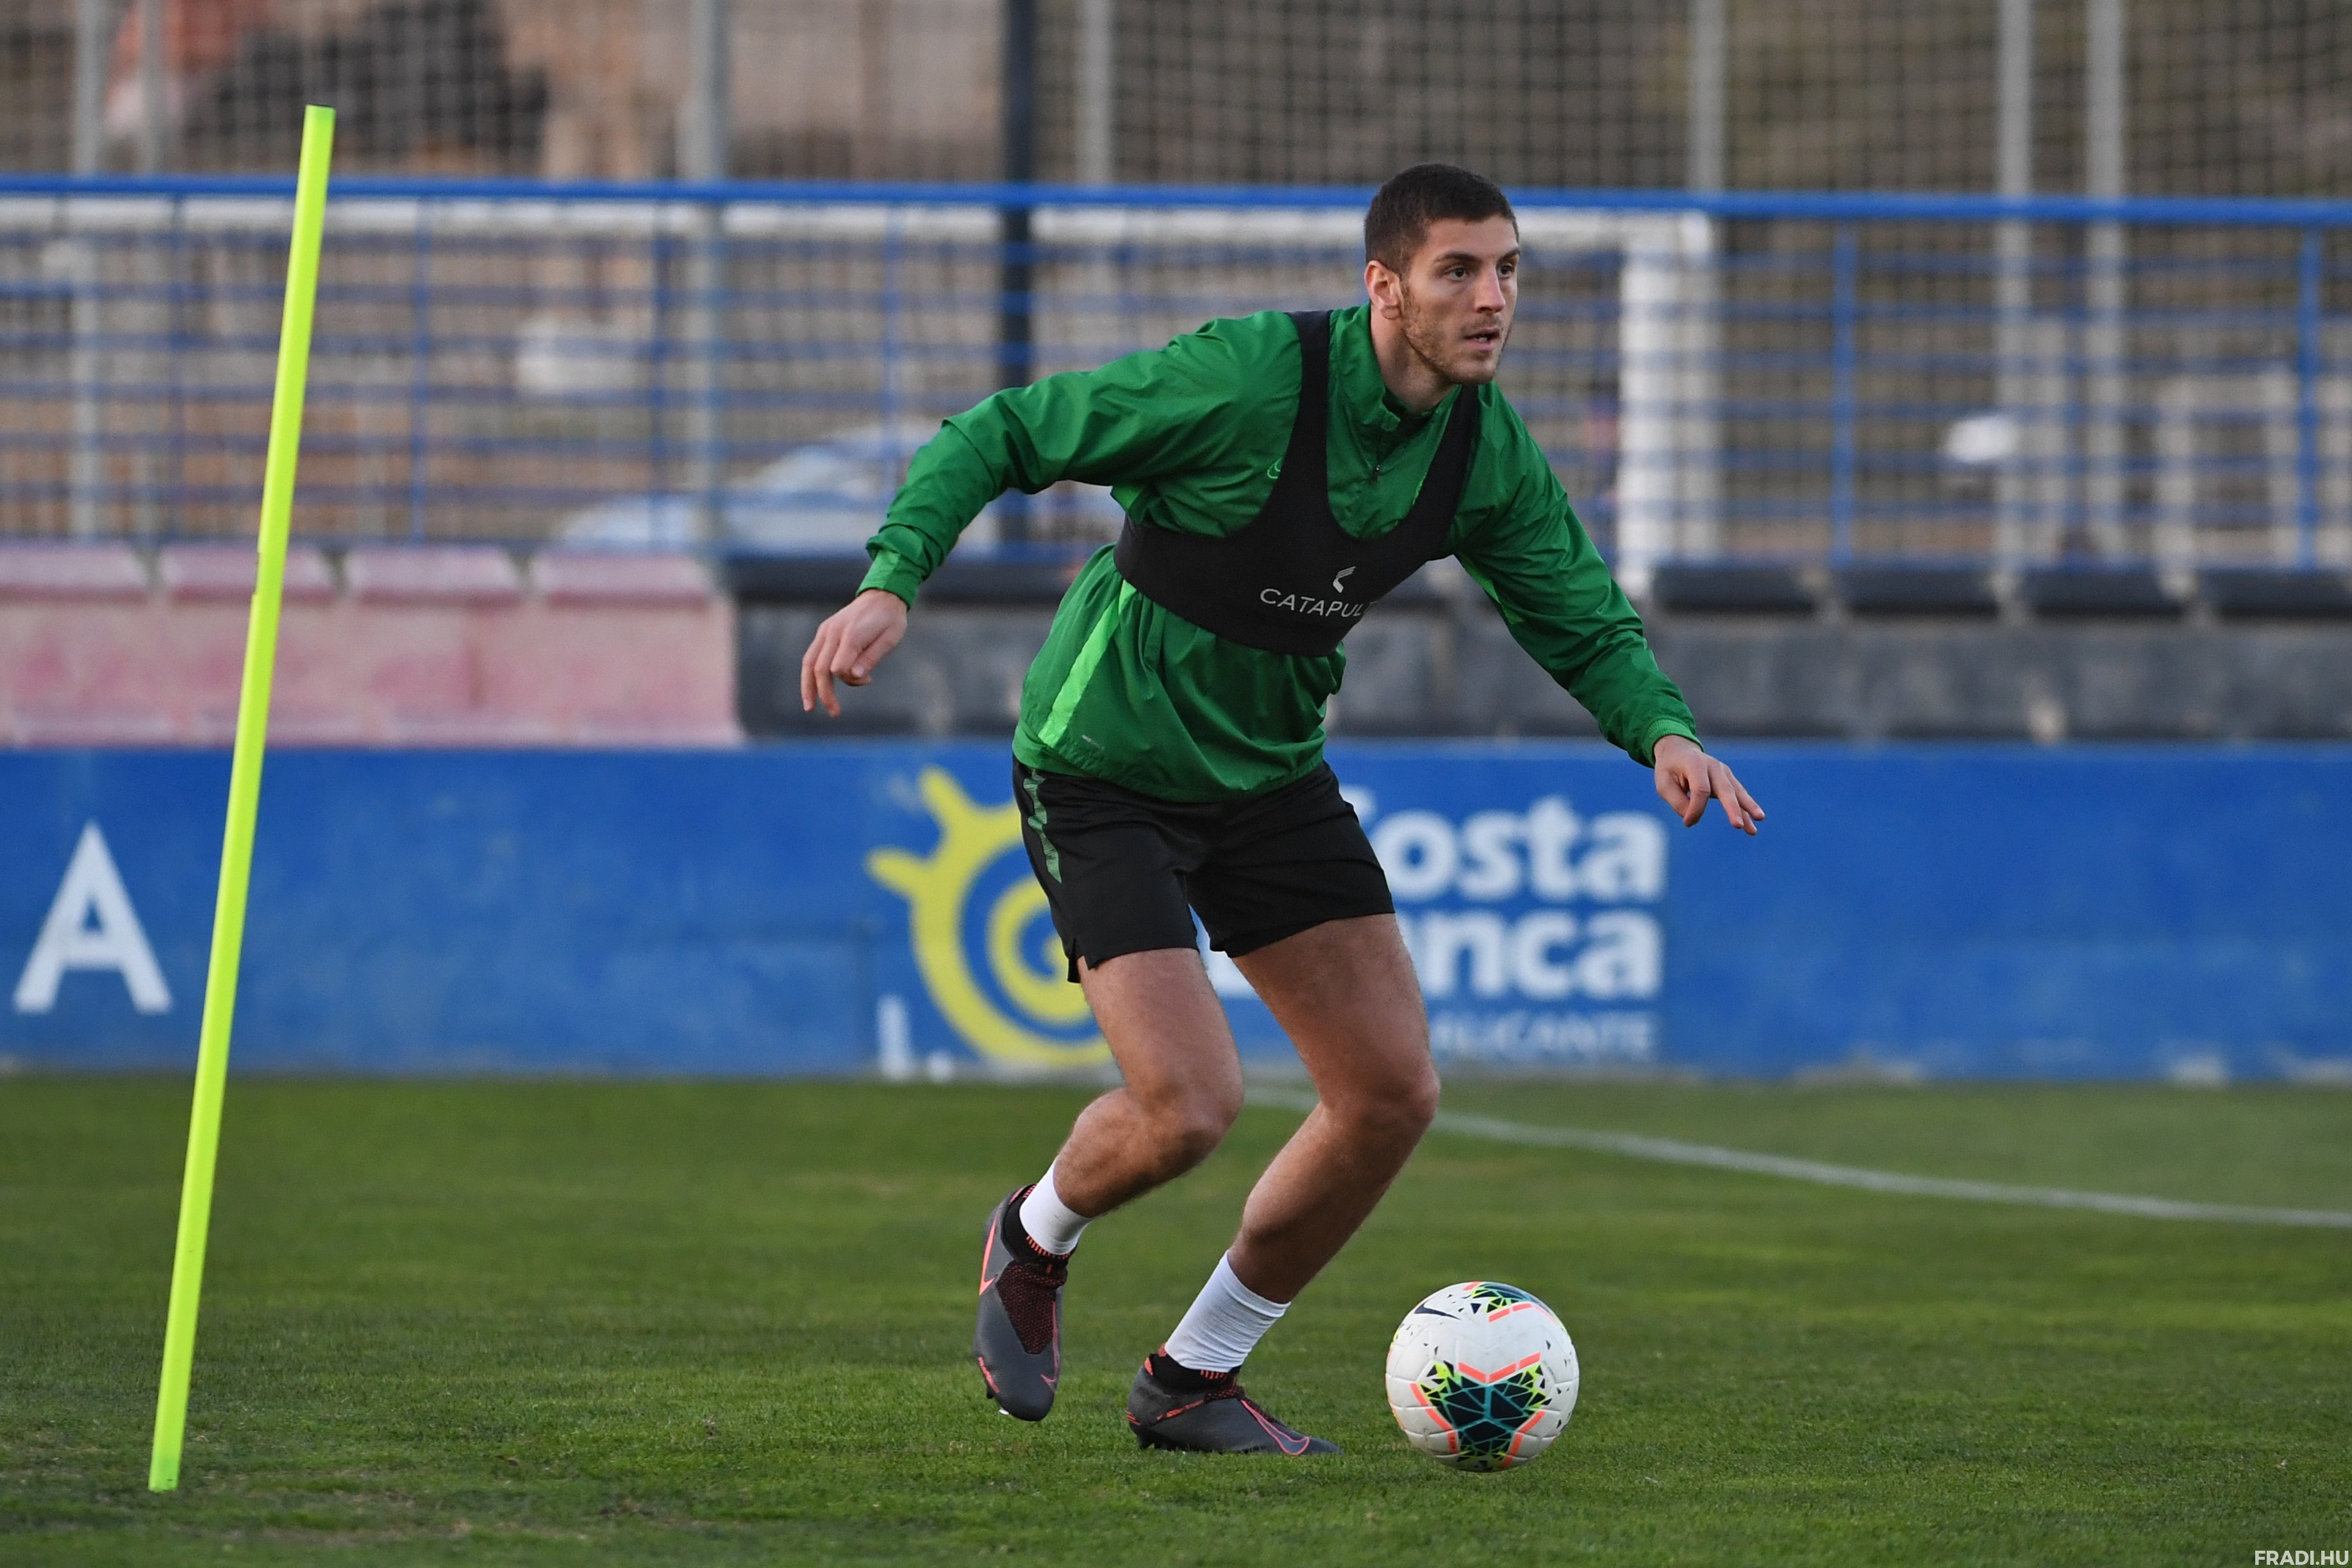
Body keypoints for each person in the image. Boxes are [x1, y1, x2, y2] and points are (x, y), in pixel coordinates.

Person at [799, 163, 1763, 1455]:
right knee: (1186, 1106)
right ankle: (1032, 1234)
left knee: (1389, 1093)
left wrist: (1661, 728)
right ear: (1384, 287)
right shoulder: (1250, 378)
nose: (1491, 299)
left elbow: (1574, 609)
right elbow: (1003, 431)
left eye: (1506, 271)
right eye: (1457, 271)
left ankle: (1191, 1375)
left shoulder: (1481, 448)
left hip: (1266, 777)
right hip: (1101, 764)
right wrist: (892, 578)